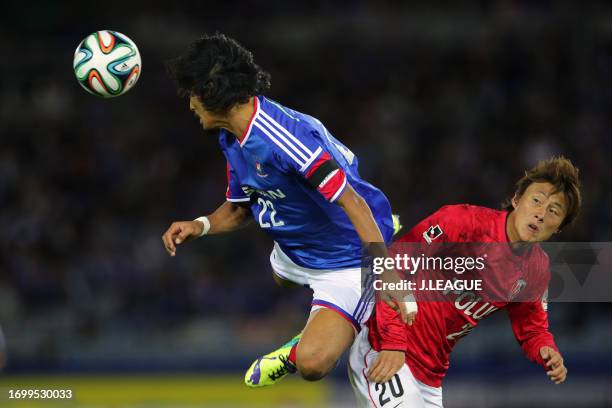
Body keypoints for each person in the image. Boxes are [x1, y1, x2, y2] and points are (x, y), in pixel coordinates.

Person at [161, 33, 415, 388]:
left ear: (211, 90)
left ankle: (299, 348)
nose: (189, 104)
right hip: (296, 250)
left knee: (314, 364)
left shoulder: (283, 139)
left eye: (191, 93)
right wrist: (200, 225)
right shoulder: (232, 136)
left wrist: (385, 272)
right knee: (280, 276)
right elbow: (240, 208)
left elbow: (351, 202)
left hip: (346, 258)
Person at [349, 156, 580, 407]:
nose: (540, 214)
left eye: (553, 211)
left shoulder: (536, 270)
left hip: (430, 375)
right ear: (516, 199)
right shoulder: (462, 222)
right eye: (536, 201)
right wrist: (393, 342)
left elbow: (532, 328)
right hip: (384, 348)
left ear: (558, 228)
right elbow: (393, 264)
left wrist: (547, 350)